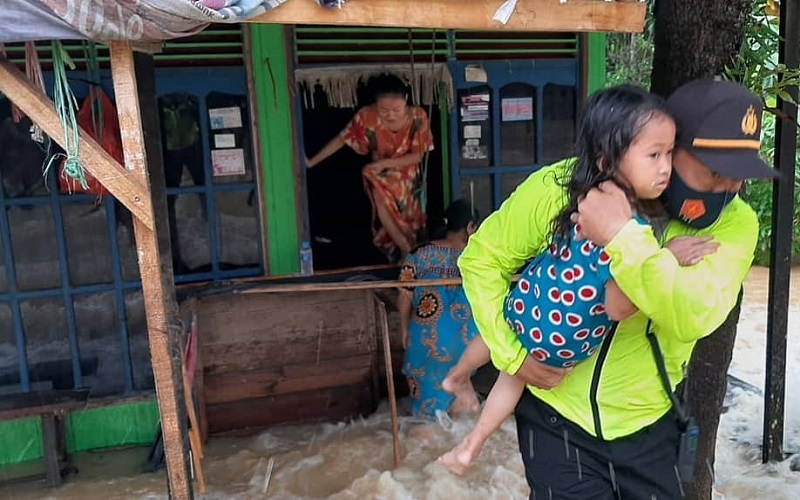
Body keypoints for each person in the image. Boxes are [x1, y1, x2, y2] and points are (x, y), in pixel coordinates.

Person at [456, 78, 776, 498]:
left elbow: (691, 315)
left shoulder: (735, 224)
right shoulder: (565, 185)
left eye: (738, 177)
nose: (729, 189)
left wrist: (623, 235)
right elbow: (482, 260)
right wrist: (513, 356)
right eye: (715, 172)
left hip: (647, 426)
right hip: (556, 415)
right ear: (667, 147)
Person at [306, 73, 434, 262]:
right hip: (379, 174)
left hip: (407, 176)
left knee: (412, 221)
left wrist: (385, 163)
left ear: (406, 100)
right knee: (378, 193)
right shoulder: (367, 116)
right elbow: (343, 139)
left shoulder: (418, 117)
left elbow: (418, 155)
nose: (390, 115)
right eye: (384, 110)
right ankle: (404, 248)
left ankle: (411, 252)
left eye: (396, 110)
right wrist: (312, 161)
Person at [398, 199, 480, 421]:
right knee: (463, 417)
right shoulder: (477, 256)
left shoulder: (417, 253)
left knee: (425, 420)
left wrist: (404, 330)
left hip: (423, 341)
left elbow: (404, 296)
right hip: (465, 344)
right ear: (470, 227)